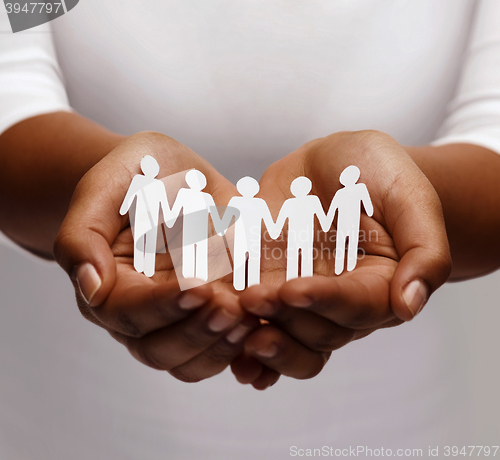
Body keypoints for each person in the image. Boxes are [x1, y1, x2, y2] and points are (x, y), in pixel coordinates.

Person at [1, 1, 500, 458]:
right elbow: (11, 93)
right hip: (70, 425)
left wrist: (405, 204)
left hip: (396, 427)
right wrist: (100, 186)